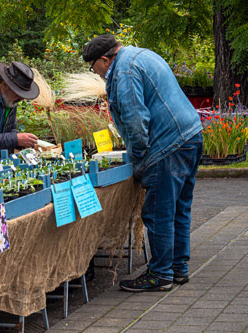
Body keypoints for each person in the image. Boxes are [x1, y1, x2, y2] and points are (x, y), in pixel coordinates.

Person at [83, 35, 203, 292]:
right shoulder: (141, 54)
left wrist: (137, 157)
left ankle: (160, 275)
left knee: (159, 213)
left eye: (95, 68)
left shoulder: (124, 71)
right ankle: (178, 269)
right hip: (191, 135)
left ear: (105, 60)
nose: (97, 74)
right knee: (179, 208)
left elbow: (136, 121)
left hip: (168, 145)